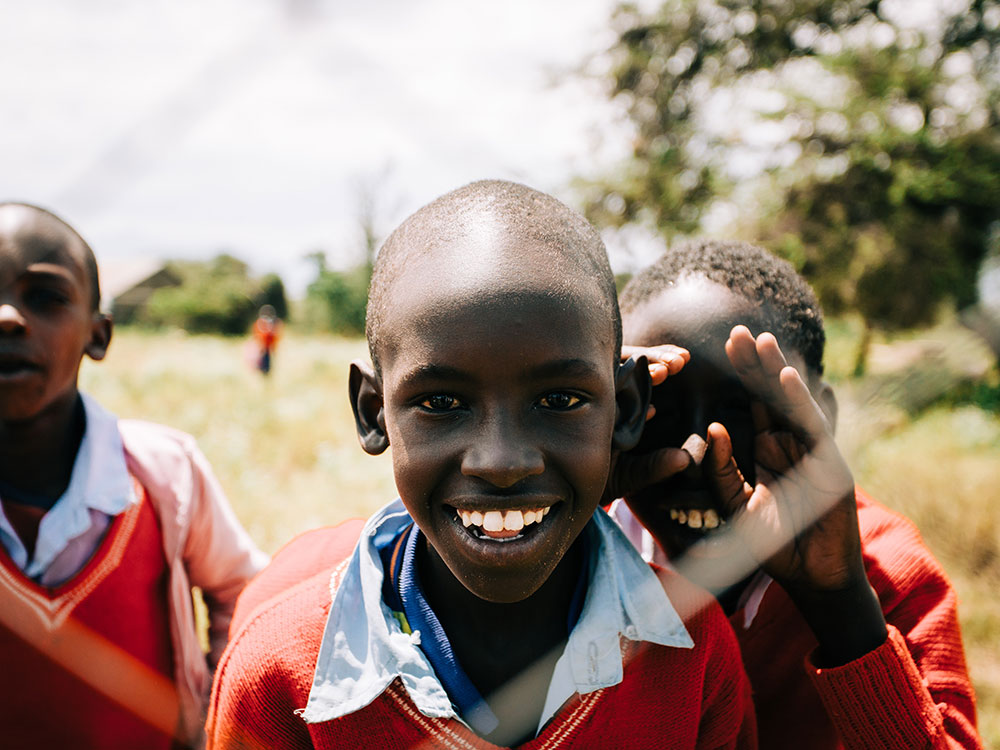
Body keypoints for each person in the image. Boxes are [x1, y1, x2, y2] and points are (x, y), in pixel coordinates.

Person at [206, 181, 757, 749]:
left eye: (559, 399)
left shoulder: (692, 652)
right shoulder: (279, 675)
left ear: (627, 408)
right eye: (441, 402)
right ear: (374, 413)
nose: (502, 463)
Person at [609, 239, 982, 749]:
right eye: (657, 408)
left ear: (822, 413)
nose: (698, 452)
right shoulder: (575, 545)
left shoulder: (889, 577)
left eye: (743, 409)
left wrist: (841, 606)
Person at [0, 202, 268, 749]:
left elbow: (244, 592)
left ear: (98, 335)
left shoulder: (167, 475)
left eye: (45, 297)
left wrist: (218, 725)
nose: (6, 317)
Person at [251, 304, 281, 376]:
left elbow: (274, 337)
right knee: (261, 365)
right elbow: (257, 336)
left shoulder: (271, 324)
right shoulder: (260, 323)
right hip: (261, 348)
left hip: (267, 348)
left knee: (267, 366)